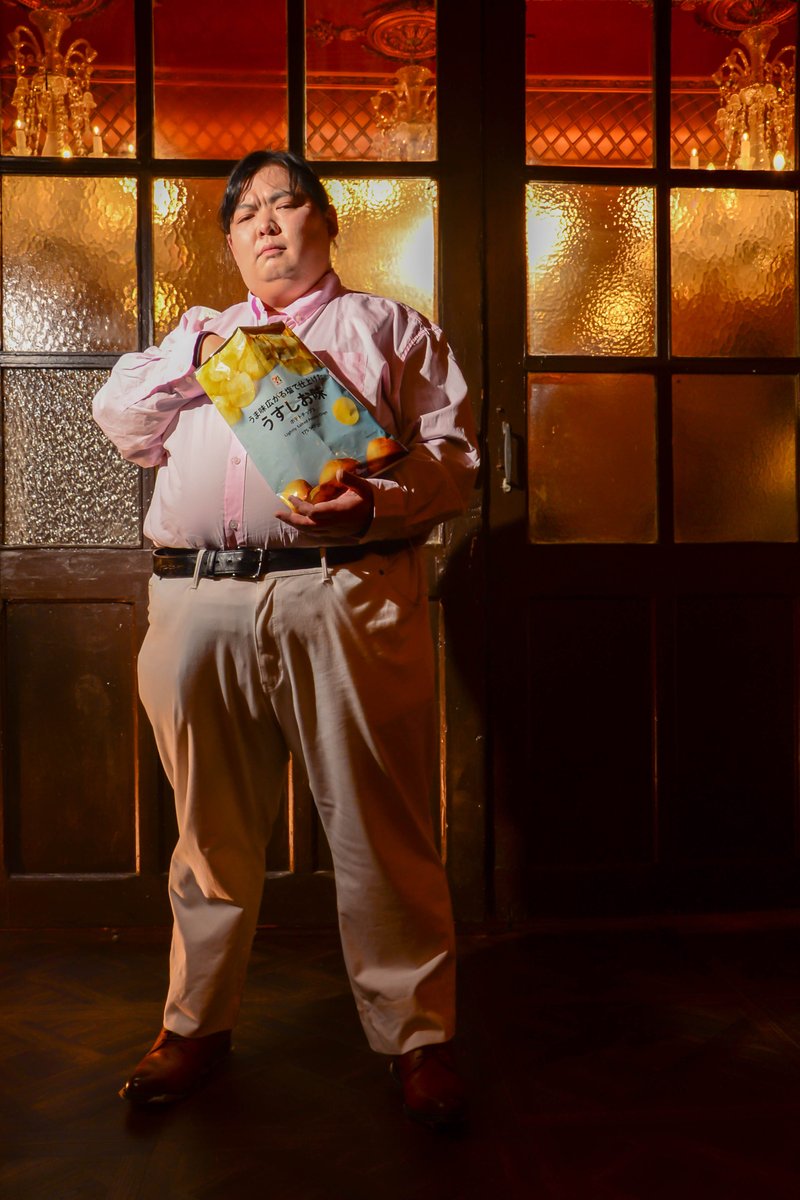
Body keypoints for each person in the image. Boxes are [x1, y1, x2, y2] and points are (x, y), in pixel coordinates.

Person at [93, 148, 480, 1129]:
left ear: (327, 222)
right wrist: (199, 351)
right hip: (195, 600)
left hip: (343, 592)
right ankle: (194, 1026)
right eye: (246, 214)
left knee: (380, 826)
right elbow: (121, 422)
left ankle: (417, 1038)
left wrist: (377, 500)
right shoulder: (195, 338)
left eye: (287, 203)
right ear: (230, 242)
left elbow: (453, 460)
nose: (266, 222)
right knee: (206, 831)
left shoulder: (388, 328)